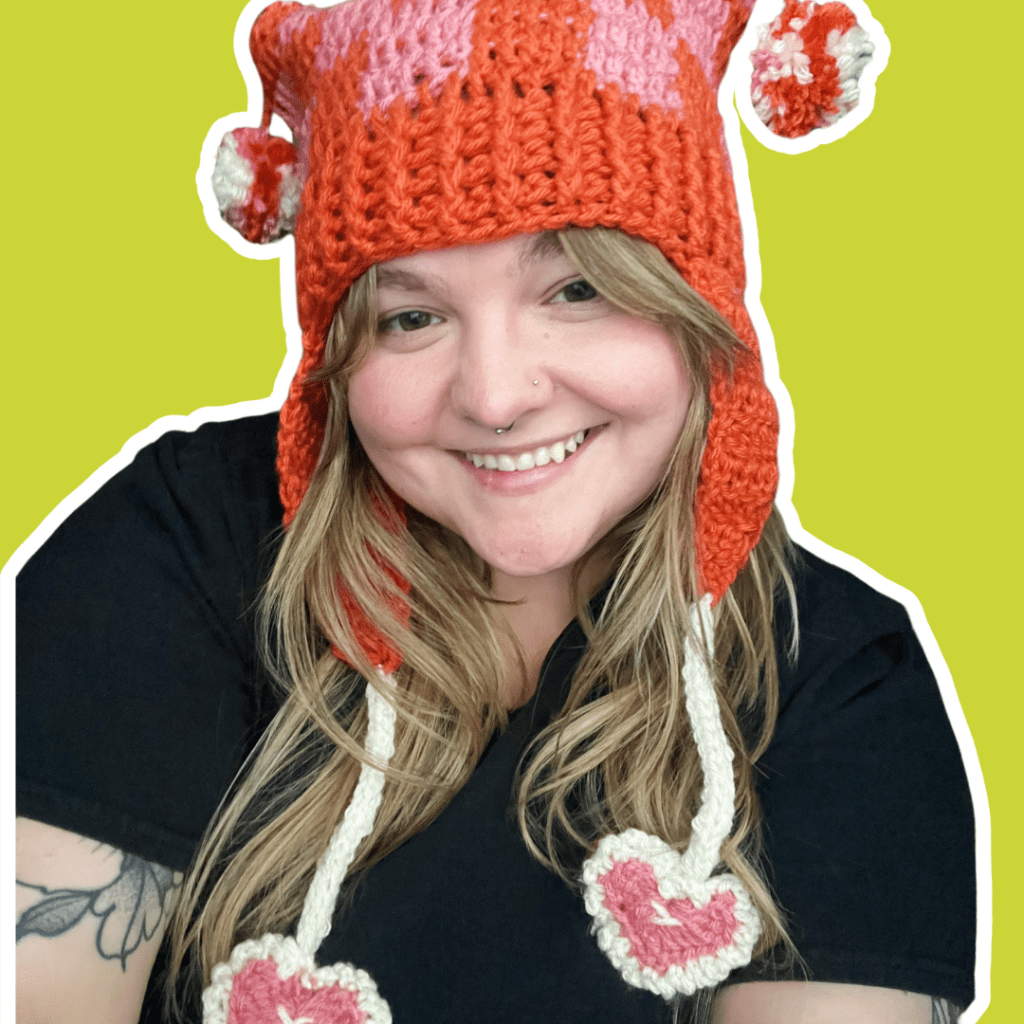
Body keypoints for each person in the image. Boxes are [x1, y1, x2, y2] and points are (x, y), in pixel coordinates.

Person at [14, 1, 977, 1022]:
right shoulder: (182, 541)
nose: (495, 396)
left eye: (577, 290)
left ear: (703, 310)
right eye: (412, 316)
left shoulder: (844, 686)